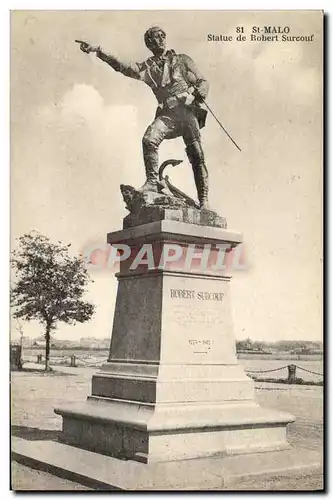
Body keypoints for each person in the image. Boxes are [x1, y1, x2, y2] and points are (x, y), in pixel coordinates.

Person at [78, 26, 210, 208]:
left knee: (197, 155)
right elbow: (123, 66)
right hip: (168, 116)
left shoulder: (183, 60)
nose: (159, 40)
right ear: (148, 44)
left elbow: (203, 82)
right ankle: (153, 182)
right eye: (154, 39)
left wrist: (192, 95)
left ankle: (204, 201)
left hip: (187, 113)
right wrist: (98, 50)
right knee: (149, 139)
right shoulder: (147, 69)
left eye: (162, 36)